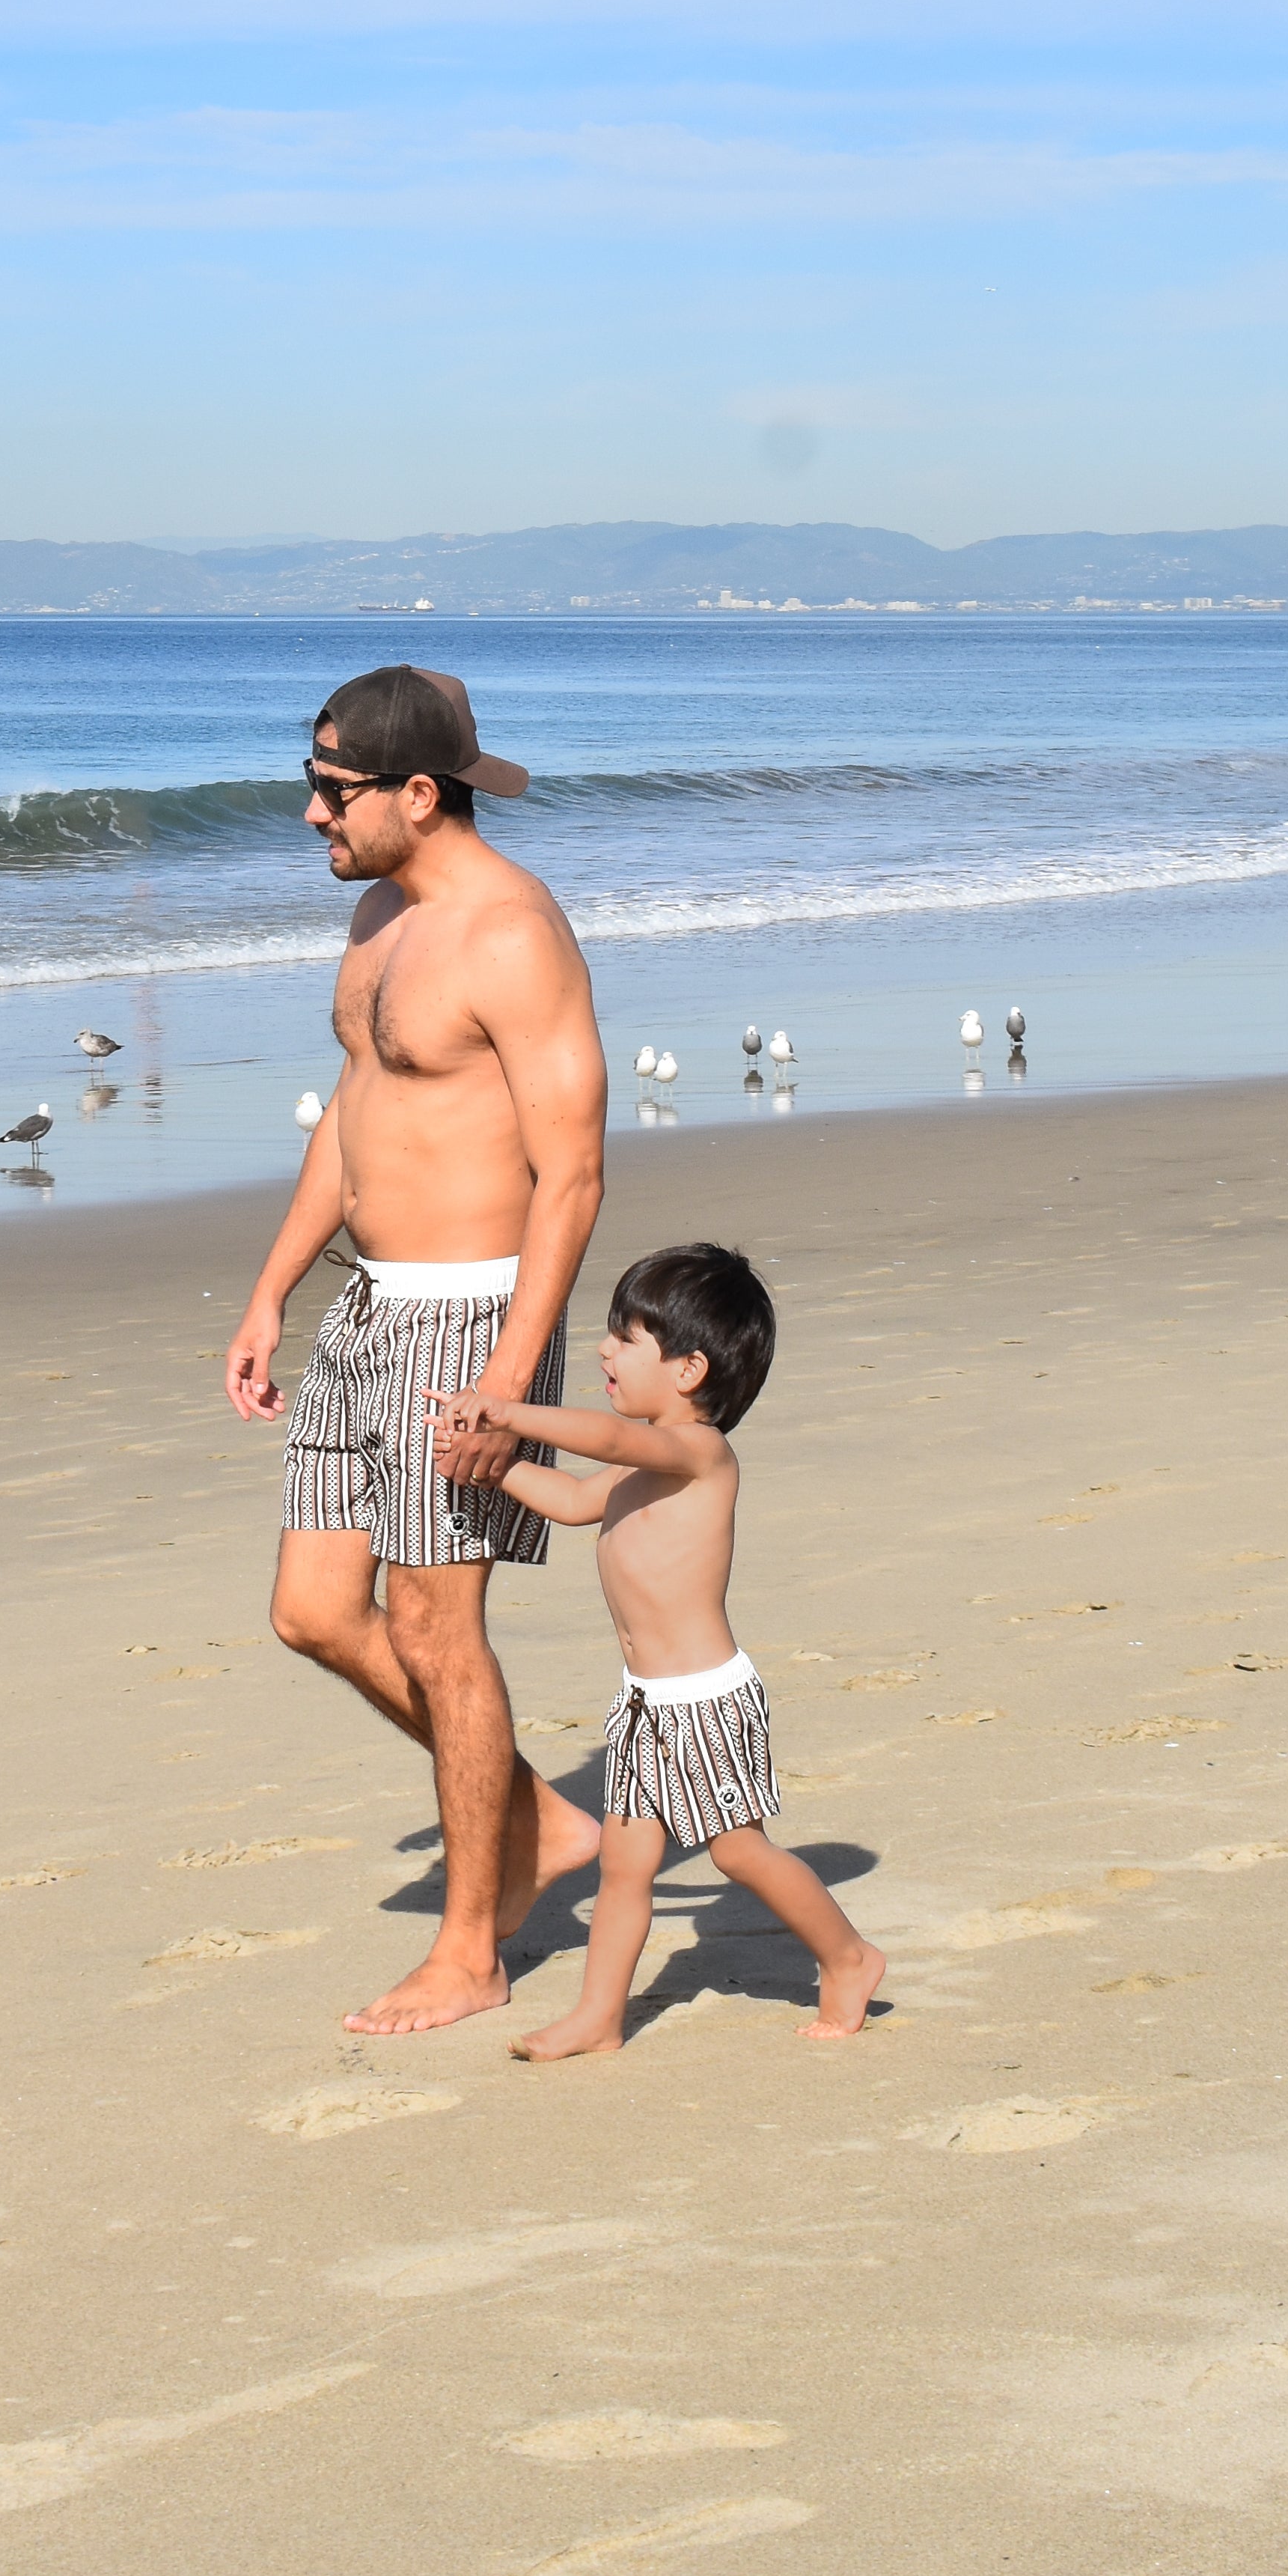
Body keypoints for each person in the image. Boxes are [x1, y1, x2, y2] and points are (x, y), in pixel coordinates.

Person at [224, 663, 607, 2035]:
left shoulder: (511, 937)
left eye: (332, 794)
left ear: (415, 793)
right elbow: (355, 1106)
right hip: (366, 1301)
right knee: (313, 1610)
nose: (311, 817)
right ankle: (545, 1819)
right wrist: (273, 1285)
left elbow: (570, 1175)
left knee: (440, 1631)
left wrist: (509, 1377)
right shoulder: (381, 915)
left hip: (466, 1320)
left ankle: (469, 1950)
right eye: (310, 786)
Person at [430, 1241, 887, 2055]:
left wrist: (507, 1412)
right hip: (645, 1703)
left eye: (627, 1336)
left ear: (687, 1370)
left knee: (739, 1850)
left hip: (706, 1699)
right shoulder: (644, 1464)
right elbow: (571, 1499)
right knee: (625, 1868)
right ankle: (599, 2017)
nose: (604, 1349)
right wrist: (485, 1468)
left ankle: (848, 1957)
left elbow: (604, 1441)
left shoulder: (696, 1452)